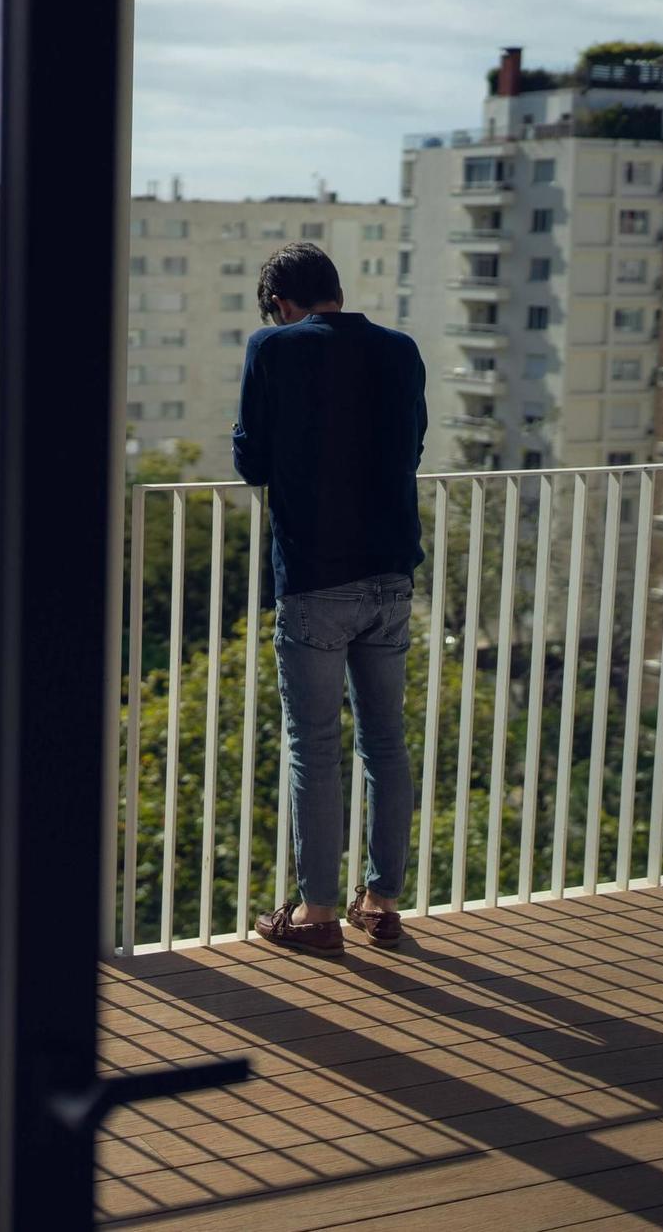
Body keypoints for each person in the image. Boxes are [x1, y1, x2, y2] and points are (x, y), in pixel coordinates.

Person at [231, 242, 427, 958]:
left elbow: (251, 459)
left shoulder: (273, 348)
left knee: (314, 746)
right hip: (390, 574)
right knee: (385, 740)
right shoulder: (401, 350)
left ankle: (316, 913)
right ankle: (380, 904)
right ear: (336, 291)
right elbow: (412, 447)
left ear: (281, 303)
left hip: (315, 577)